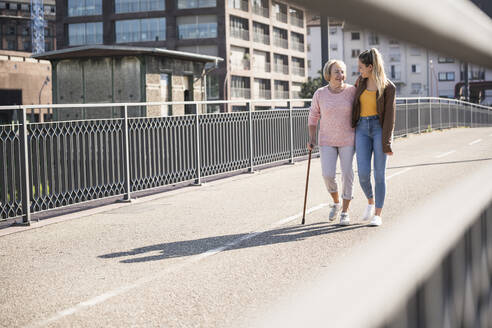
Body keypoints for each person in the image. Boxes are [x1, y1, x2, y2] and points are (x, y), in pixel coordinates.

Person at [307, 60, 357, 226]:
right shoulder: (320, 94)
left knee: (347, 174)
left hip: (348, 138)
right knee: (327, 174)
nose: (340, 75)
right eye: (336, 72)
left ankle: (345, 211)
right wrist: (311, 138)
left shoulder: (352, 91)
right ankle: (336, 202)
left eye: (342, 71)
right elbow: (313, 117)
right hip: (327, 139)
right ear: (328, 74)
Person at [352, 48, 396, 226]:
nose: (359, 70)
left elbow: (390, 117)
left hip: (379, 129)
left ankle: (378, 213)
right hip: (361, 128)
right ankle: (370, 201)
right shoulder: (359, 83)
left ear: (370, 67)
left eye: (361, 67)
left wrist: (387, 142)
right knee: (362, 174)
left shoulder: (388, 87)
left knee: (379, 174)